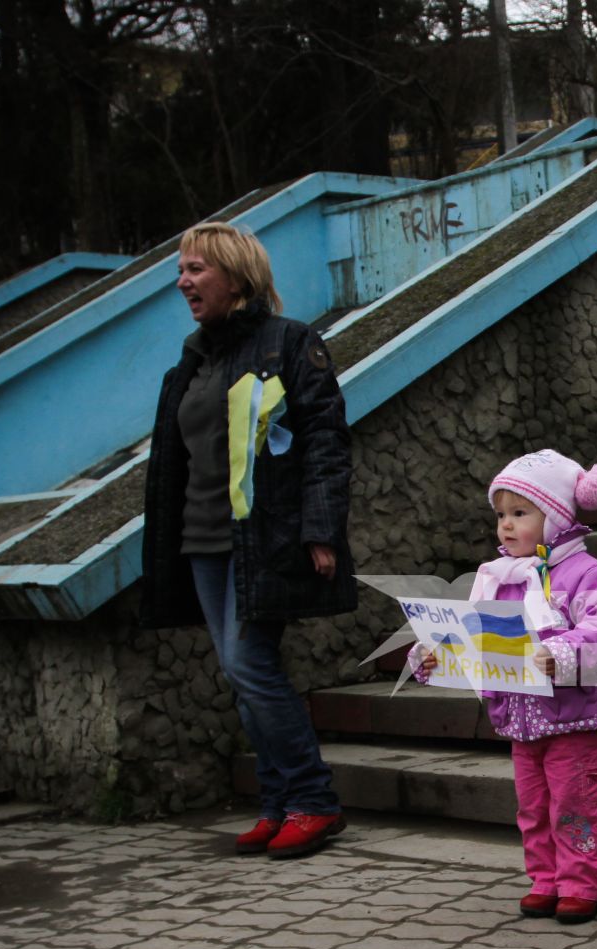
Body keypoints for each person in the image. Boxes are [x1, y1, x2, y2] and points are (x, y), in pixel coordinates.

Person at [140, 222, 356, 859]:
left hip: (264, 540)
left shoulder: (289, 344)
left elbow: (325, 440)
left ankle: (313, 801)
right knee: (241, 675)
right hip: (201, 542)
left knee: (249, 665)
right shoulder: (195, 358)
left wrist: (320, 530)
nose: (183, 281)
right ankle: (276, 801)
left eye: (197, 268)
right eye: (181, 270)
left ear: (236, 275)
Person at [415, 450, 597, 925]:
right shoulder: (498, 581)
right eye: (501, 515)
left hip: (575, 718)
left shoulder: (585, 574)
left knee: (575, 803)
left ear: (554, 519)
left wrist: (565, 649)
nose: (506, 526)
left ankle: (582, 882)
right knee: (533, 807)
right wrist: (437, 653)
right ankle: (546, 878)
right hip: (521, 719)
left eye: (520, 513)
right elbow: (475, 641)